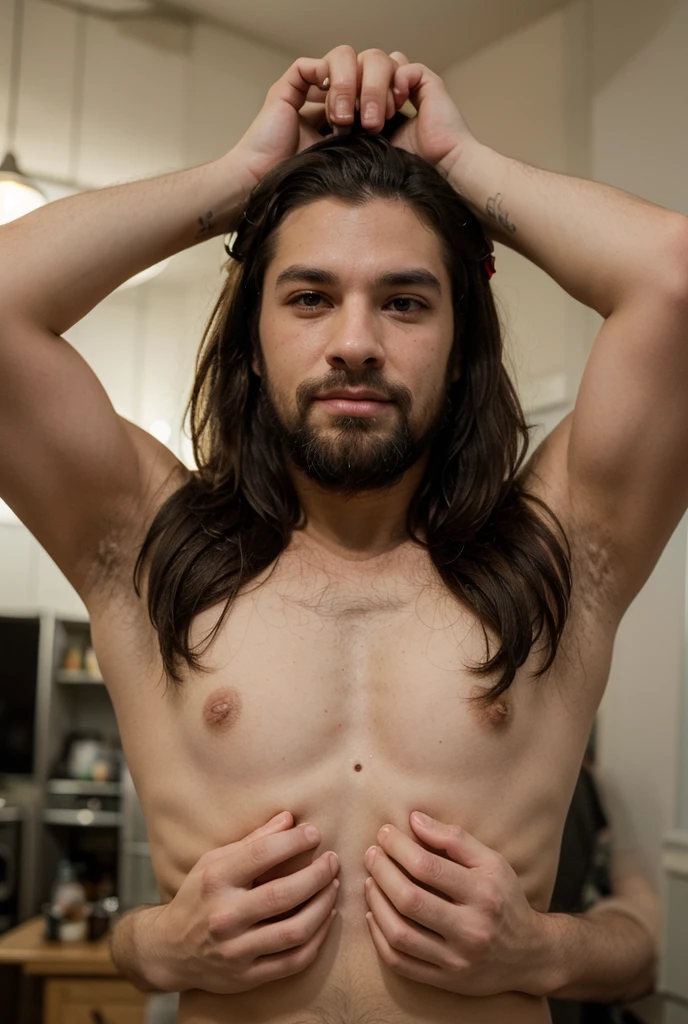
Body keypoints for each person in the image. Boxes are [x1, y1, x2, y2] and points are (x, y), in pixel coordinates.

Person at [0, 43, 684, 1024]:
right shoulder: (152, 554)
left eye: (405, 301)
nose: (354, 341)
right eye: (309, 296)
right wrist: (238, 181)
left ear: (459, 350)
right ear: (253, 338)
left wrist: (461, 168)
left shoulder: (558, 559)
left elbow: (673, 281)